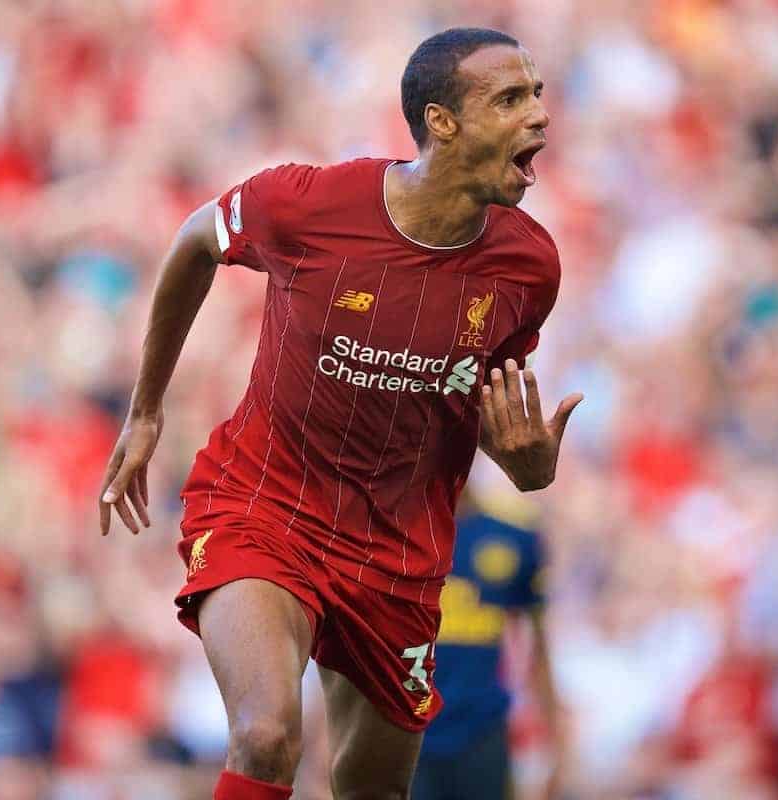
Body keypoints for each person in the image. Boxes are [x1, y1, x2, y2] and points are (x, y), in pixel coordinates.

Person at [96, 27, 583, 800]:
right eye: (512, 99)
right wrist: (146, 410)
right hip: (266, 506)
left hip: (396, 554)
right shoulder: (310, 205)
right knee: (265, 735)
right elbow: (196, 240)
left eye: (539, 96)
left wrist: (528, 468)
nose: (539, 118)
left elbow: (477, 406)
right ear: (442, 122)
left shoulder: (530, 268)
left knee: (373, 788)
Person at [412, 491, 565, 800]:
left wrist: (556, 743)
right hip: (409, 732)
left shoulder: (514, 536)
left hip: (482, 728)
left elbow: (539, 645)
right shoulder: (392, 535)